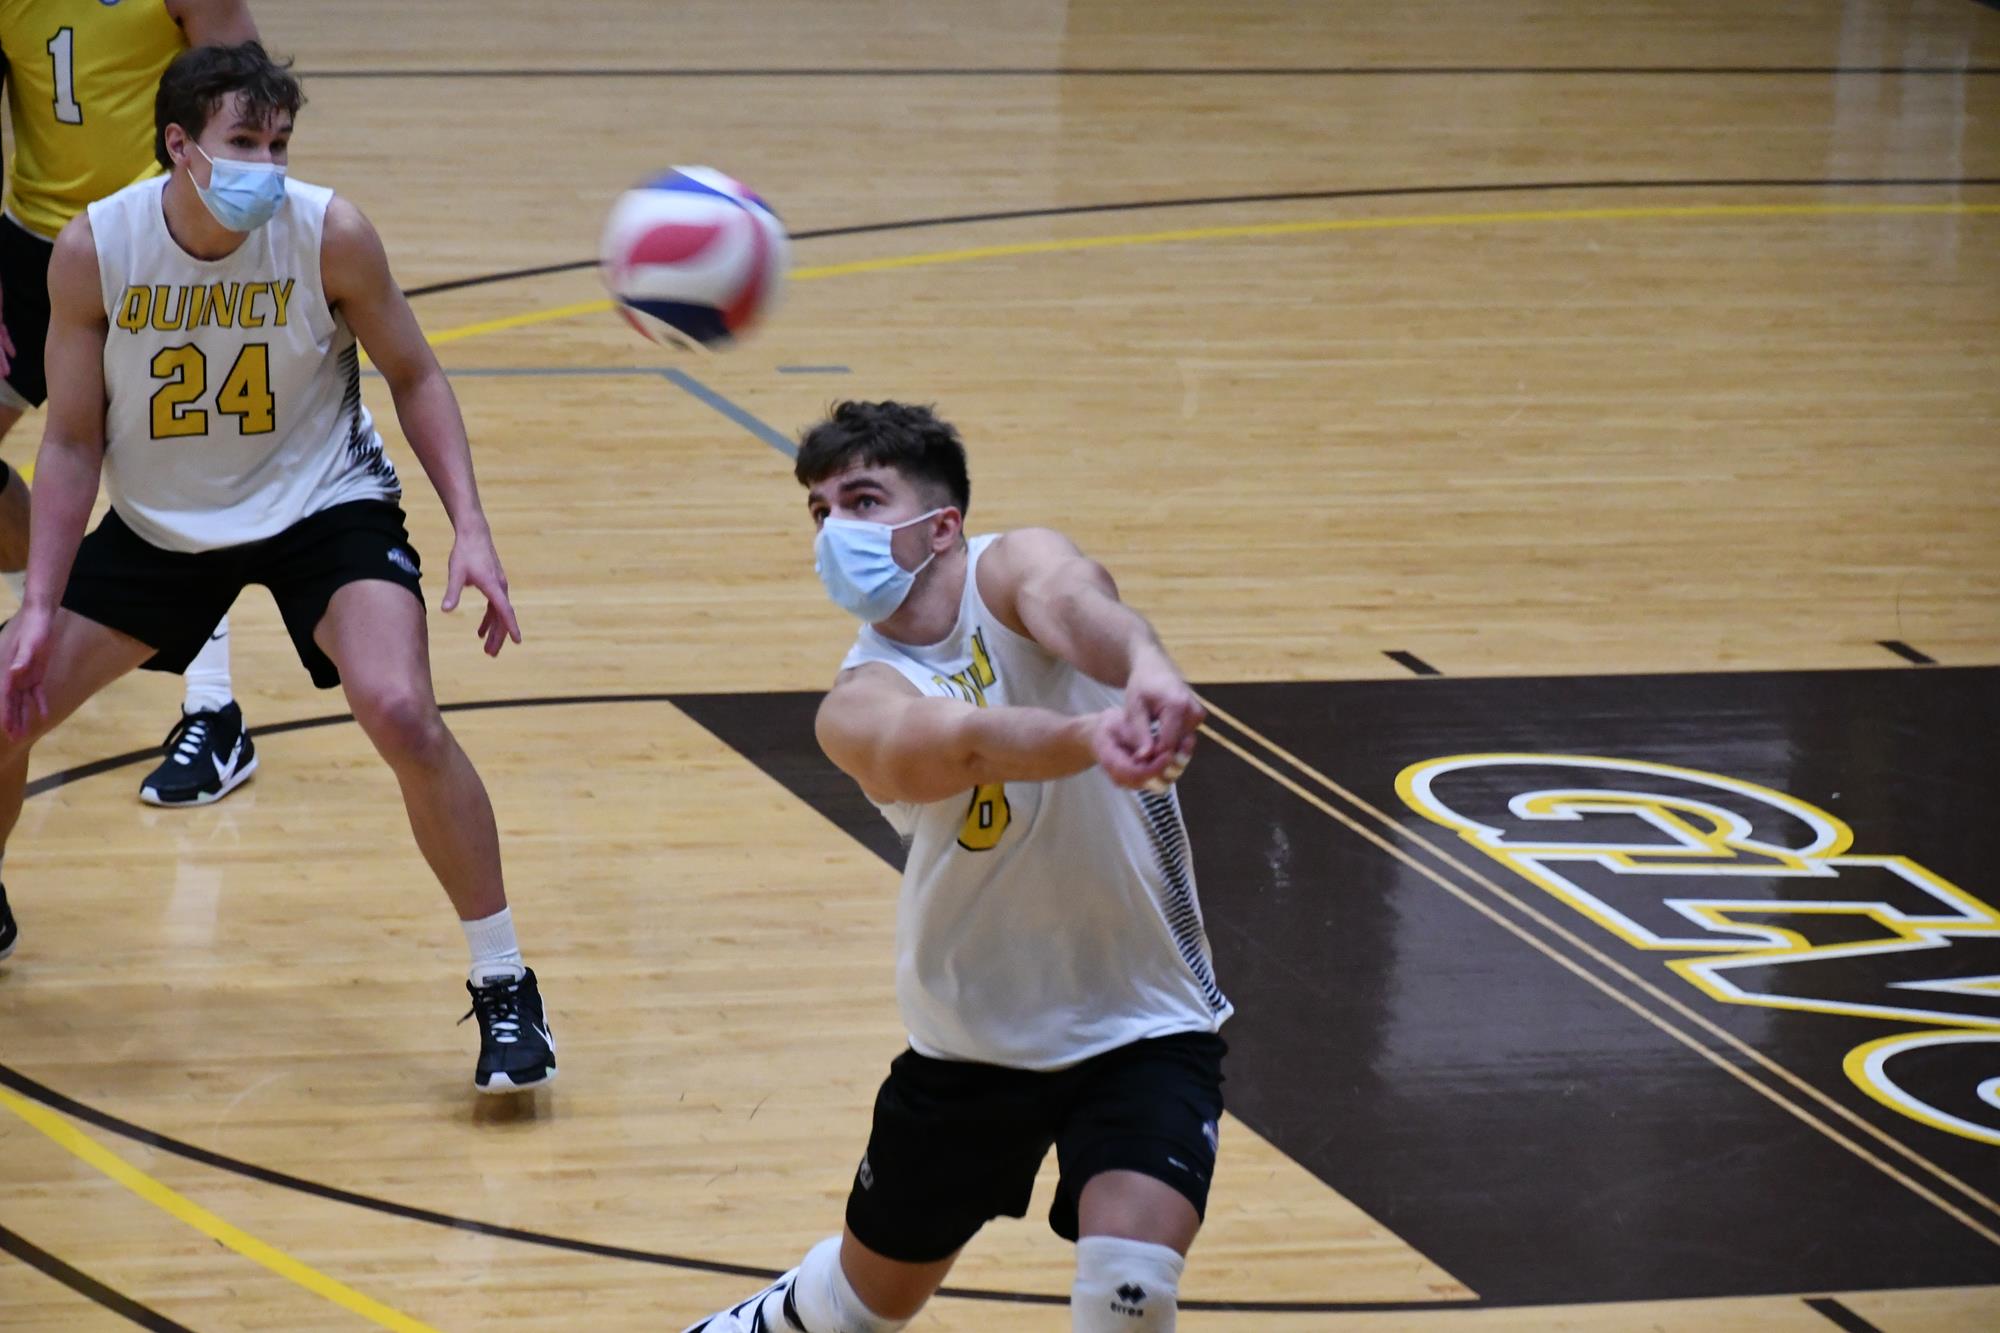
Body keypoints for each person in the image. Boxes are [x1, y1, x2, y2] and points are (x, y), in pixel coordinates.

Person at [0, 41, 555, 1094]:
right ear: (180, 146)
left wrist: (472, 526)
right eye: (243, 141)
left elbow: (415, 372)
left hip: (320, 504)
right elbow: (70, 442)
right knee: (6, 704)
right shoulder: (95, 250)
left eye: (280, 141)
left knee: (399, 708)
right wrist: (36, 603)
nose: (267, 162)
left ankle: (505, 983)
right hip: (164, 523)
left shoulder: (327, 231)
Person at [686, 402, 1231, 1333]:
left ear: (942, 525)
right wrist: (1089, 734)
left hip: (1146, 1019)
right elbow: (967, 743)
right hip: (973, 1036)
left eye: (860, 500)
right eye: (820, 513)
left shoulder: (1015, 565)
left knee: (1130, 1298)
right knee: (861, 1306)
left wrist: (1146, 665)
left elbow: (1076, 603)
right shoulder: (859, 701)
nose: (834, 532)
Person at [0, 0, 263, 807]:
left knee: (168, 475)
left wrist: (215, 250)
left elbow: (246, 101)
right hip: (32, 244)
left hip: (156, 241)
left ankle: (214, 712)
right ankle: (50, 613)